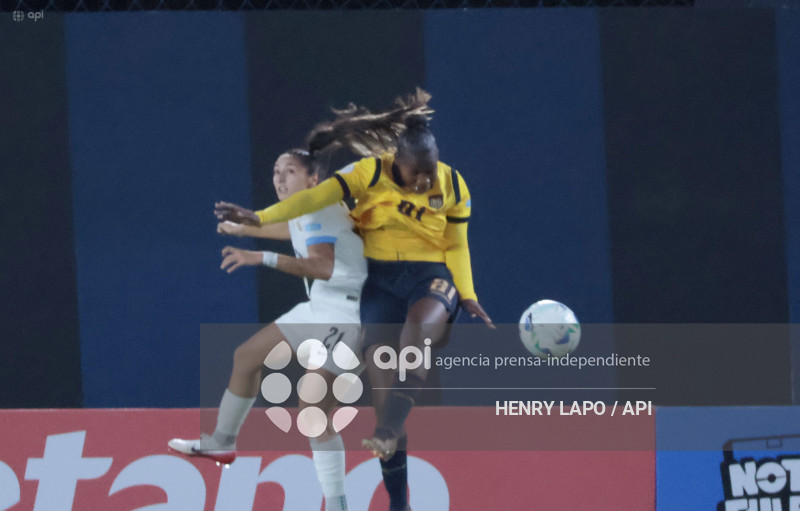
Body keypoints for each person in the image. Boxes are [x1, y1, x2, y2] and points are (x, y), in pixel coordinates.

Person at [215, 89, 493, 511]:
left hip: (418, 281)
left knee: (413, 338)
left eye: (429, 173)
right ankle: (393, 497)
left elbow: (457, 245)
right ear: (396, 162)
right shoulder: (366, 174)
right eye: (416, 174)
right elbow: (305, 206)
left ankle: (381, 437)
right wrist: (257, 219)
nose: (423, 183)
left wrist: (467, 293)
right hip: (378, 287)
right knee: (351, 407)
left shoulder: (452, 183)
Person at [169, 149, 367, 511]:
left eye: (289, 171)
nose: (279, 179)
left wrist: (260, 257)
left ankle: (339, 505)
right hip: (319, 307)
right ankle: (222, 442)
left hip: (349, 313)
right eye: (276, 171)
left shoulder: (321, 207)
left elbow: (322, 267)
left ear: (312, 180)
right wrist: (247, 228)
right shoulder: (305, 209)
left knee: (313, 411)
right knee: (246, 356)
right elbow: (291, 228)